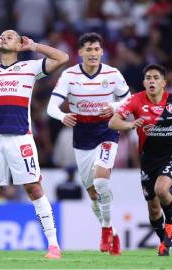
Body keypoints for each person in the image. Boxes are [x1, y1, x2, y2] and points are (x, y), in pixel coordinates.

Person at [0, 29, 68, 259]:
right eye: (2, 35)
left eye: (10, 36)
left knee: (34, 188)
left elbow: (63, 58)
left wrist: (34, 47)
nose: (4, 37)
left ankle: (54, 245)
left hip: (20, 138)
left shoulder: (29, 68)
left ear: (18, 45)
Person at [47, 32, 130, 255]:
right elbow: (51, 107)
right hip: (82, 135)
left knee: (101, 180)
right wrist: (62, 116)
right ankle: (111, 231)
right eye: (88, 50)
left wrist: (114, 108)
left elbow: (129, 98)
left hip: (107, 130)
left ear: (102, 52)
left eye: (96, 49)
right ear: (80, 52)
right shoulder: (69, 75)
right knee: (93, 193)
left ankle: (104, 230)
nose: (93, 54)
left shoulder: (113, 74)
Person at [108, 64, 172, 256]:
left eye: (156, 78)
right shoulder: (135, 100)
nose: (152, 81)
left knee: (161, 189)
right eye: (148, 78)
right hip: (148, 160)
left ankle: (171, 224)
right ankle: (164, 243)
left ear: (164, 83)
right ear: (144, 82)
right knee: (153, 208)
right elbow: (113, 122)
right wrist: (131, 124)